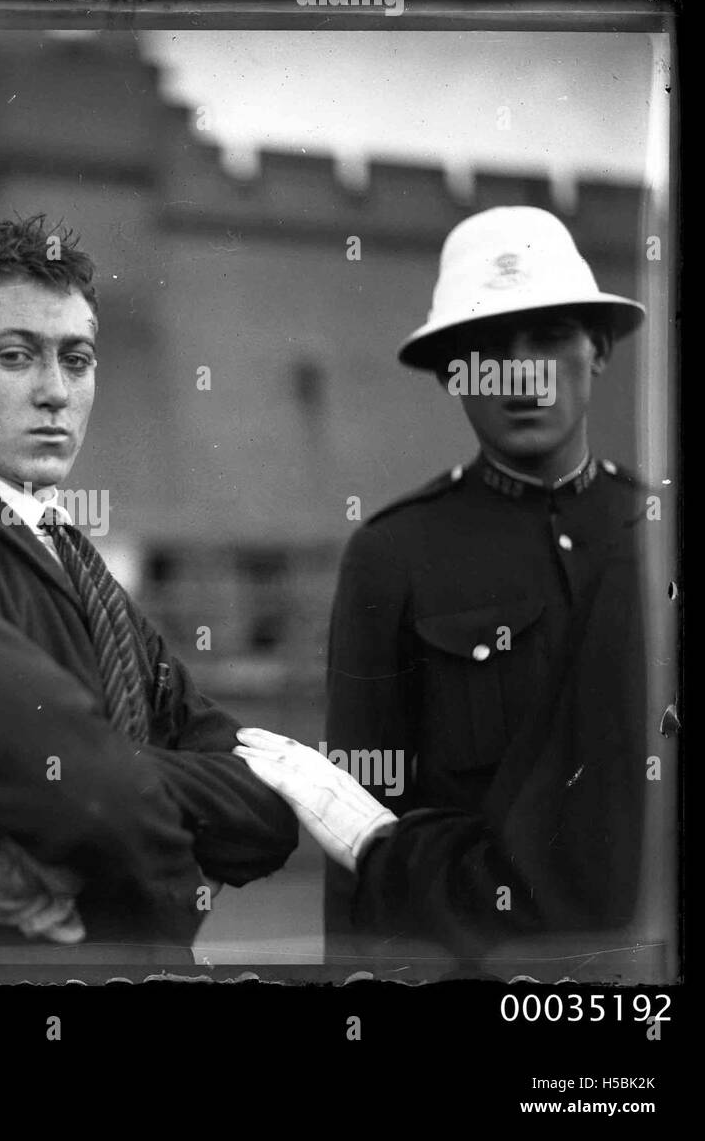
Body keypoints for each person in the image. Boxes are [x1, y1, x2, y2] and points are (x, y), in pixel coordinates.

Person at [0, 215, 299, 963]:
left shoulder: (98, 585)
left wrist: (78, 789)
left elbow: (266, 813)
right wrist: (116, 802)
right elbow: (84, 788)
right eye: (16, 357)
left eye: (77, 360)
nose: (54, 392)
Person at [239, 206, 650, 969]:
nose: (521, 371)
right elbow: (360, 833)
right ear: (451, 374)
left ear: (598, 349)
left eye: (552, 336)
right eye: (488, 349)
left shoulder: (657, 533)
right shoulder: (394, 556)